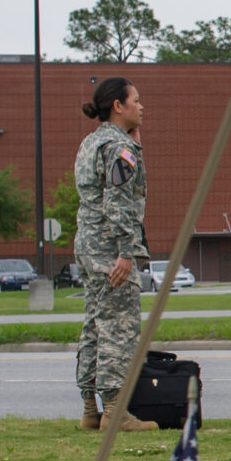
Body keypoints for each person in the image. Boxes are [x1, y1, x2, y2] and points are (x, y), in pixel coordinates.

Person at [72, 76, 148, 430]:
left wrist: (134, 142)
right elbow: (118, 201)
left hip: (87, 244)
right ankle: (116, 411)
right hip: (110, 248)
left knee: (94, 326)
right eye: (135, 100)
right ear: (118, 105)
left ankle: (91, 409)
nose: (141, 105)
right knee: (119, 326)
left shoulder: (92, 143)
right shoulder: (119, 149)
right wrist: (127, 251)